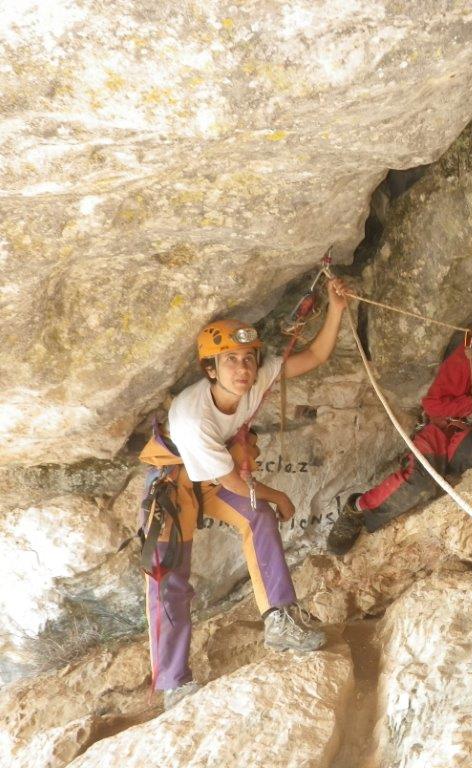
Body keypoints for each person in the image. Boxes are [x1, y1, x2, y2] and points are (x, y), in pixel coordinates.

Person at [139, 276, 349, 709]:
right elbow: (235, 482)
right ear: (210, 370)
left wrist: (337, 308)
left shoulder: (253, 382)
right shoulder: (193, 418)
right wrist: (277, 494)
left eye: (248, 360)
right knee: (168, 577)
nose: (242, 369)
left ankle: (281, 621)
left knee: (258, 518)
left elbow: (316, 355)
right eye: (230, 360)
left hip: (214, 472)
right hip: (172, 481)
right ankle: (173, 684)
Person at [326, 298, 472, 554]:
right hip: (441, 429)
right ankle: (357, 509)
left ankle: (445, 481)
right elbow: (433, 406)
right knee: (421, 482)